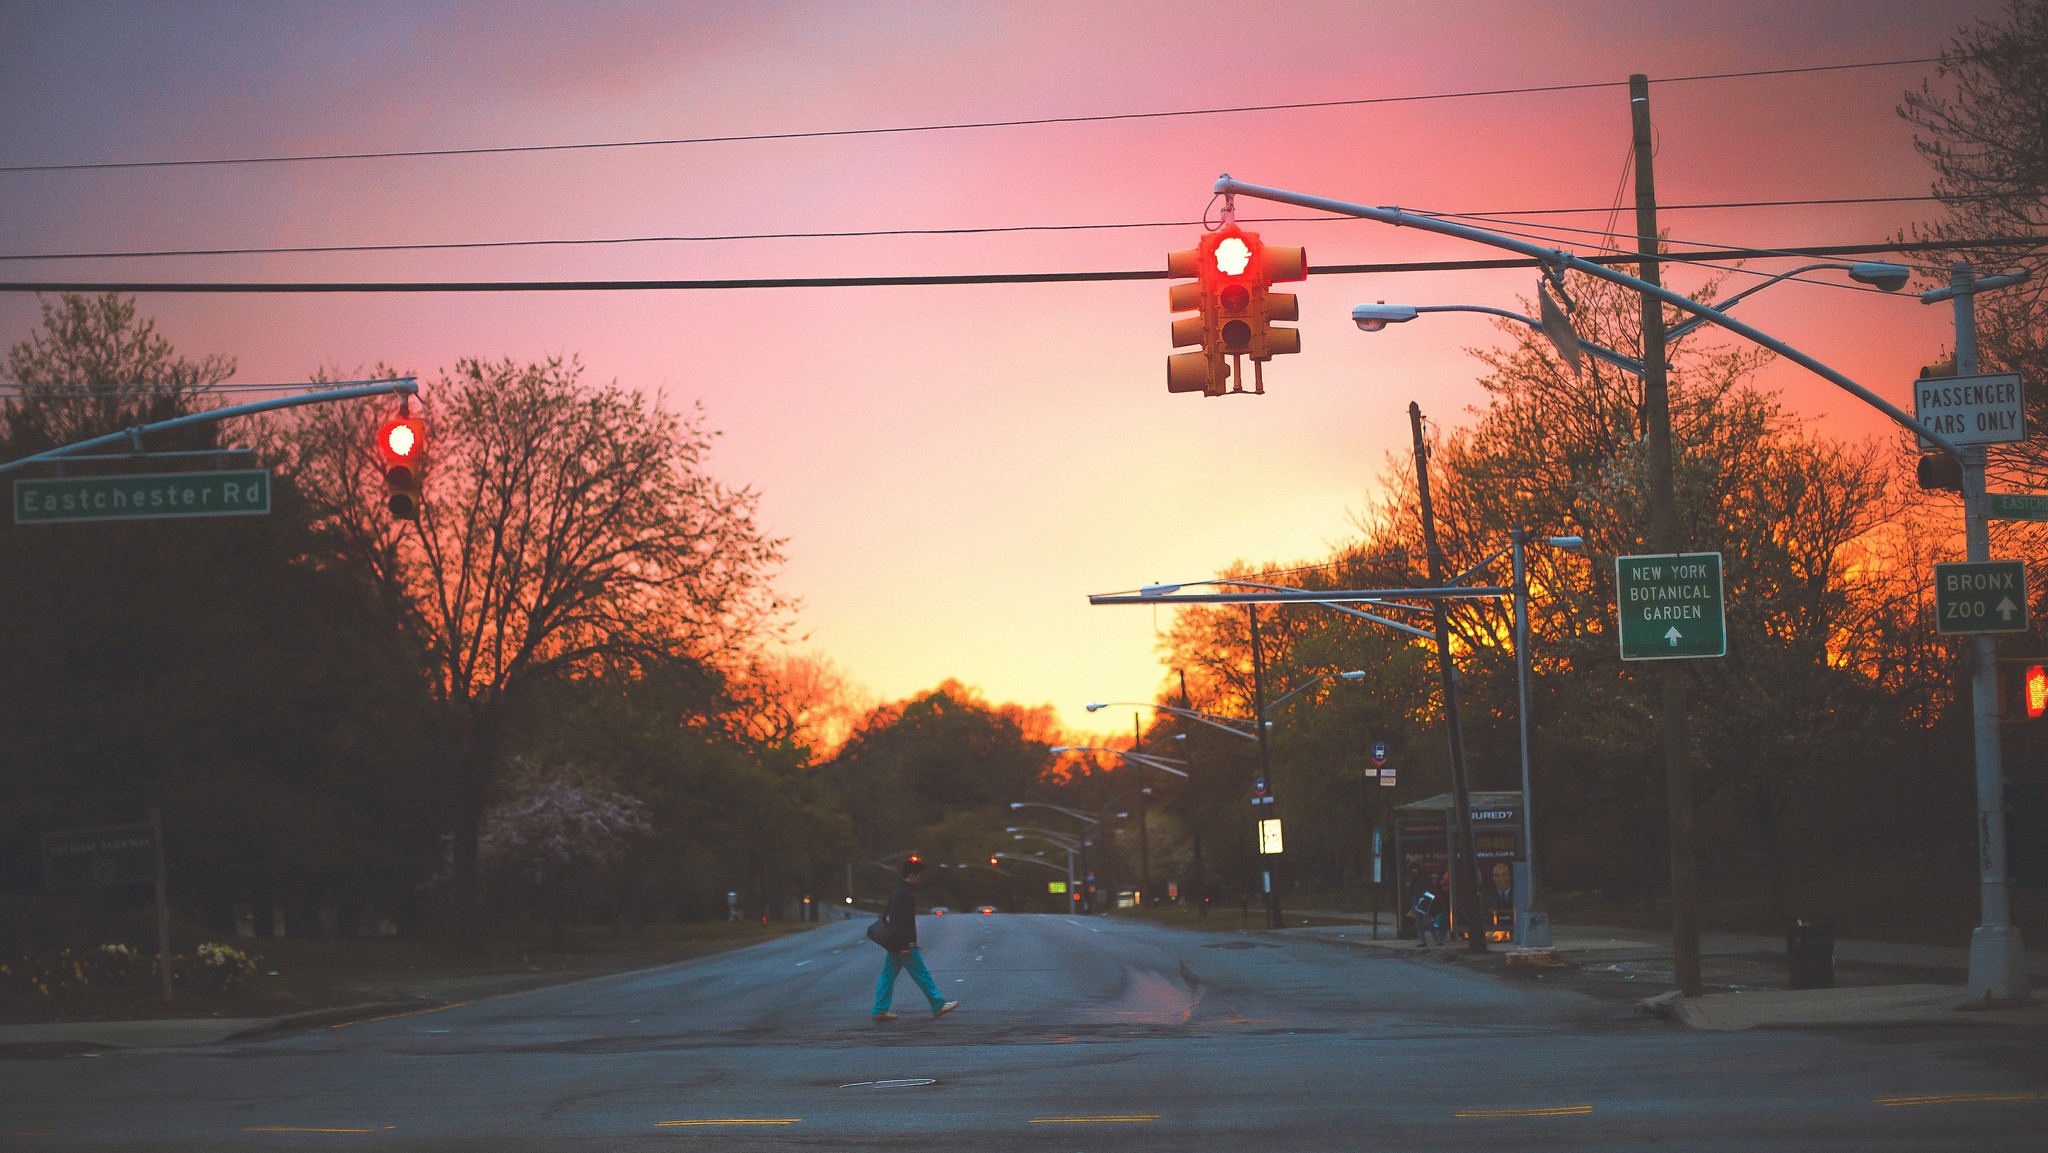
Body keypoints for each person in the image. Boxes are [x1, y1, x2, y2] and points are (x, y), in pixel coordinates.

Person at [872, 857, 959, 1022]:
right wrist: (904, 945)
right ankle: (938, 1004)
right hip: (904, 944)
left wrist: (896, 945)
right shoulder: (905, 894)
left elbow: (891, 917)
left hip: (895, 944)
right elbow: (900, 921)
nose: (921, 878)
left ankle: (879, 1009)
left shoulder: (899, 891)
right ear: (911, 875)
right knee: (921, 974)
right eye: (919, 875)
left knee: (888, 975)